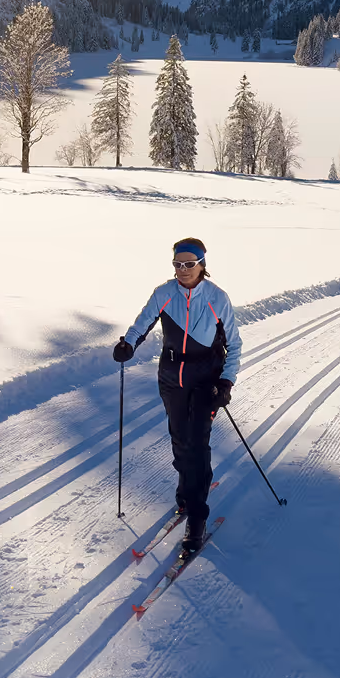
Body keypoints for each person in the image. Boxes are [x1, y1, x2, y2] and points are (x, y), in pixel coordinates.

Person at [113, 237, 241, 556]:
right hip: (171, 378)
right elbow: (141, 324)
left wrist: (225, 382)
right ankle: (186, 492)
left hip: (205, 381)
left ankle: (196, 517)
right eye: (177, 264)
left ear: (202, 265)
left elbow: (235, 346)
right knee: (180, 440)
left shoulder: (216, 298)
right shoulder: (163, 293)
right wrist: (128, 345)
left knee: (197, 444)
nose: (182, 270)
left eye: (189, 264)